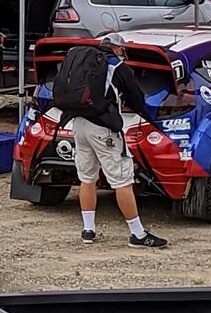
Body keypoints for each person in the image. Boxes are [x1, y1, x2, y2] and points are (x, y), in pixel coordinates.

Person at [63, 33, 168, 249]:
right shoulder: (116, 66)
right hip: (103, 128)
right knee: (122, 180)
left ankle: (88, 230)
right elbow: (135, 97)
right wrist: (152, 117)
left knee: (87, 177)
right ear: (118, 49)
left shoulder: (83, 59)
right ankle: (138, 234)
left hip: (78, 124)